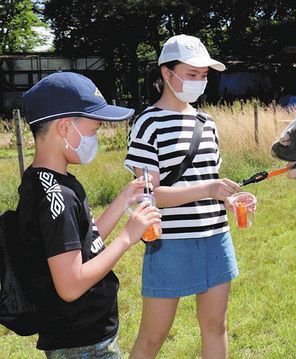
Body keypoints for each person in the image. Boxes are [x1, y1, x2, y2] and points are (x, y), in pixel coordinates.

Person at [16, 71, 162, 358]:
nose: (96, 137)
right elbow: (70, 285)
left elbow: (83, 242)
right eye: (94, 129)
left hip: (85, 337)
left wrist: (122, 201)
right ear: (64, 128)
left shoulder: (54, 182)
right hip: (81, 344)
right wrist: (127, 238)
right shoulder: (54, 196)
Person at [125, 34, 240, 358]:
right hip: (169, 243)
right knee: (152, 337)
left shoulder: (208, 123)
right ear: (166, 73)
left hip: (216, 238)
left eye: (203, 76)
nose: (199, 82)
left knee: (216, 326)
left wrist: (227, 199)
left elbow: (208, 180)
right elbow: (150, 196)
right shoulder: (147, 124)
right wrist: (207, 189)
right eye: (192, 74)